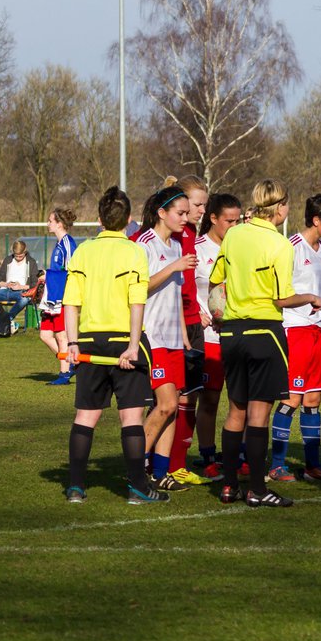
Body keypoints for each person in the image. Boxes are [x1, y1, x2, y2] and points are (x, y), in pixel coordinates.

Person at [210, 179, 321, 508]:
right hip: (264, 333)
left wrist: (219, 313)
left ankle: (230, 485)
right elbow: (282, 297)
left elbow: (217, 280)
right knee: (259, 416)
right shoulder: (279, 244)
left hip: (231, 334)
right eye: (287, 204)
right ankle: (258, 490)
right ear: (279, 207)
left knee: (235, 412)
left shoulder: (233, 235)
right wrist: (311, 297)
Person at [62, 186, 166, 504]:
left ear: (99, 220)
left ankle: (76, 488)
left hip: (91, 342)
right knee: (131, 418)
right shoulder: (135, 251)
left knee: (85, 417)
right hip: (124, 342)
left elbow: (70, 303)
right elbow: (137, 303)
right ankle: (137, 488)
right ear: (129, 220)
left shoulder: (83, 252)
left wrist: (73, 343)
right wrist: (134, 346)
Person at [269, 194, 321, 482]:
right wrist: (306, 300)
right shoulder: (292, 248)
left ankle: (312, 466)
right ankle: (276, 464)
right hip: (297, 331)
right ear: (316, 220)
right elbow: (278, 296)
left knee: (313, 399)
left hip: (320, 333)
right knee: (292, 399)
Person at [135, 185, 201, 491]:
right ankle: (136, 470)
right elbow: (139, 288)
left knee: (173, 407)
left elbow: (173, 294)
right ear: (162, 213)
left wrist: (184, 335)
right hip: (152, 337)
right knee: (164, 405)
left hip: (174, 338)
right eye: (181, 213)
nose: (186, 219)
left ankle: (161, 473)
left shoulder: (176, 245)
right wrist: (173, 267)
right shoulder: (144, 244)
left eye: (188, 213)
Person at [193, 192, 242, 480]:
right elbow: (186, 289)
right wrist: (199, 313)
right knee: (210, 399)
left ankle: (239, 455)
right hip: (209, 337)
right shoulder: (198, 249)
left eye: (238, 220)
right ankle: (208, 456)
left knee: (241, 399)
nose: (234, 226)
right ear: (213, 219)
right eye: (229, 221)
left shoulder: (242, 247)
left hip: (239, 336)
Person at [170, 176, 210, 482]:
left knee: (191, 397)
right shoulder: (165, 236)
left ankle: (178, 464)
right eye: (196, 204)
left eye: (203, 205)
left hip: (194, 323)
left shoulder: (192, 232)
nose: (200, 210)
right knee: (168, 400)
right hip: (173, 326)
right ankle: (161, 463)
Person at [39, 207, 79, 385]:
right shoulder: (58, 243)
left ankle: (64, 373)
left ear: (59, 224)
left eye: (50, 221)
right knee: (45, 335)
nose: (48, 223)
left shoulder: (68, 243)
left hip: (62, 296)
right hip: (53, 295)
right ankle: (71, 363)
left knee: (61, 336)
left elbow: (72, 271)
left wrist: (49, 276)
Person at [0, 241, 39, 329]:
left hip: (21, 292)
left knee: (24, 300)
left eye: (21, 256)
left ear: (25, 252)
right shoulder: (8, 260)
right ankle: (5, 319)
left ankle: (5, 321)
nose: (18, 258)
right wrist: (6, 284)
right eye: (16, 256)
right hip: (4, 290)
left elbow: (34, 284)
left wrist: (21, 286)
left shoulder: (31, 262)